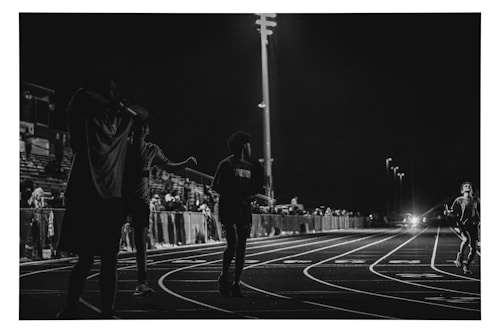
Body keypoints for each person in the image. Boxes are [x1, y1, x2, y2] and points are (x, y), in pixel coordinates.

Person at [57, 70, 148, 319]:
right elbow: (82, 94)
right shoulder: (83, 114)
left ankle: (107, 314)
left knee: (110, 261)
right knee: (85, 260)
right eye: (109, 89)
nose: (114, 94)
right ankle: (70, 307)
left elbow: (142, 114)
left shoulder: (115, 121)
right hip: (85, 194)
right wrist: (113, 104)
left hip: (111, 199)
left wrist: (119, 108)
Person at [123, 115, 197, 297]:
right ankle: (108, 282)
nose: (141, 129)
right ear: (133, 128)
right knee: (112, 242)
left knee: (141, 243)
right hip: (122, 198)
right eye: (139, 126)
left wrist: (185, 163)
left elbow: (169, 166)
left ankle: (142, 283)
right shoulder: (123, 145)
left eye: (144, 127)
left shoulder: (152, 149)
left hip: (141, 200)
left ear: (147, 131)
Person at [212, 131, 264, 297]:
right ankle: (224, 275)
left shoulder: (250, 167)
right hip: (229, 208)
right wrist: (233, 195)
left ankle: (236, 283)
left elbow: (254, 189)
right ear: (242, 146)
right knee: (232, 245)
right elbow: (216, 186)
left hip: (244, 210)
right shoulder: (226, 164)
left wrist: (250, 196)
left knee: (242, 247)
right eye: (248, 144)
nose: (250, 148)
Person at [446, 181, 480, 274]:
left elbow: (478, 211)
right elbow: (453, 212)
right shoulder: (459, 200)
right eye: (466, 186)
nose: (468, 186)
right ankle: (459, 258)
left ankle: (467, 266)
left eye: (469, 186)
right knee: (466, 239)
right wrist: (448, 213)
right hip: (463, 224)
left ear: (471, 189)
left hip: (474, 224)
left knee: (474, 248)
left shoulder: (476, 199)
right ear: (462, 190)